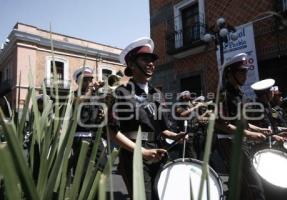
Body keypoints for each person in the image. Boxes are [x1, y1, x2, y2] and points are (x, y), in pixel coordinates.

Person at [108, 37, 186, 200]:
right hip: (134, 155)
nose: (151, 63)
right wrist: (143, 152)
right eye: (145, 59)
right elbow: (112, 131)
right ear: (131, 64)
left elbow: (162, 128)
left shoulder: (157, 94)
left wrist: (175, 136)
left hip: (158, 152)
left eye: (152, 60)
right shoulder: (121, 93)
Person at [215, 53, 270, 200]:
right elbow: (221, 124)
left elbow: (241, 122)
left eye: (246, 71)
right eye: (241, 71)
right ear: (229, 73)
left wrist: (258, 129)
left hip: (240, 142)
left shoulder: (240, 94)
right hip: (229, 143)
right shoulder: (223, 94)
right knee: (255, 186)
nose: (245, 74)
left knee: (241, 186)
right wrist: (250, 134)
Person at [69, 66, 106, 178]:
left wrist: (103, 114)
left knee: (102, 168)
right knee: (82, 172)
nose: (89, 82)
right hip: (81, 140)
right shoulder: (73, 96)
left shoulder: (96, 97)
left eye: (90, 79)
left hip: (96, 139)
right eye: (85, 79)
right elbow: (78, 103)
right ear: (77, 82)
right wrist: (91, 91)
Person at [174, 90, 208, 159]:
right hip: (185, 135)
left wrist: (205, 115)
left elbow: (197, 119)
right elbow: (182, 115)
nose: (190, 95)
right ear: (183, 97)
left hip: (195, 135)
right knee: (191, 156)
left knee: (197, 155)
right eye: (187, 94)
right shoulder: (178, 106)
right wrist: (195, 107)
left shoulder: (190, 106)